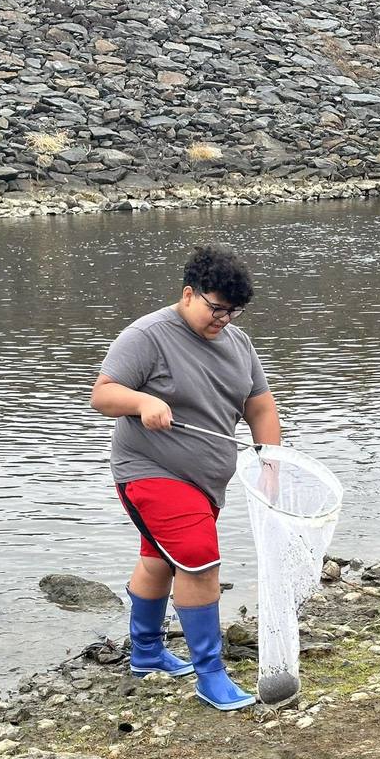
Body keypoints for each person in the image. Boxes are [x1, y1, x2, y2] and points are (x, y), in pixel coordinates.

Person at [90, 244, 282, 711]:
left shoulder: (238, 342)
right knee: (198, 558)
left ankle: (148, 653)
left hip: (207, 479)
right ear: (189, 293)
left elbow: (259, 403)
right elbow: (103, 394)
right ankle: (210, 674)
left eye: (234, 311)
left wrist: (271, 462)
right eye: (217, 308)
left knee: (159, 559)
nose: (225, 320)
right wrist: (142, 402)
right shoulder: (148, 336)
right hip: (149, 470)